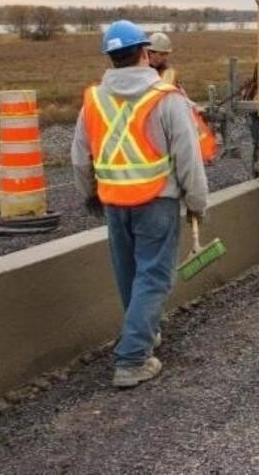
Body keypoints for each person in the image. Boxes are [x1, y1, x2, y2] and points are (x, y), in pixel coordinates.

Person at [71, 20, 209, 388]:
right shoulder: (165, 98)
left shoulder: (94, 98)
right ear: (146, 54)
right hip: (156, 202)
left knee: (129, 273)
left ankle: (143, 332)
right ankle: (132, 359)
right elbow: (188, 158)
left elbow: (79, 158)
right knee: (154, 276)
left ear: (112, 58)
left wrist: (90, 195)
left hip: (114, 202)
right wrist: (197, 202)